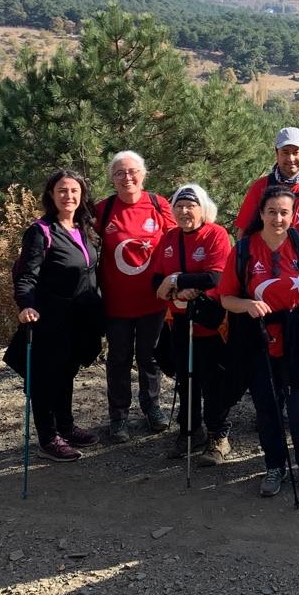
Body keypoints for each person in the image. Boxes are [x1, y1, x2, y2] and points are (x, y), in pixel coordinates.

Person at [217, 185, 299, 498]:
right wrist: (247, 305)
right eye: (272, 212)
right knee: (267, 409)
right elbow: (226, 298)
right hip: (257, 339)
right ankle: (274, 467)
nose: (278, 218)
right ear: (261, 214)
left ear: (292, 215)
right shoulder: (244, 249)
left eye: (285, 212)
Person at [14, 169, 106, 463]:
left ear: (82, 195)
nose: (69, 196)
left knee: (67, 373)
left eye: (74, 191)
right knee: (45, 378)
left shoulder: (83, 227)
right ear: (51, 195)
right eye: (62, 190)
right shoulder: (41, 232)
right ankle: (48, 436)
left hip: (80, 318)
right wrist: (26, 304)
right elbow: (26, 276)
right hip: (51, 318)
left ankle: (65, 425)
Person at [151, 183, 235, 465]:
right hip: (179, 322)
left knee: (213, 381)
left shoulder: (216, 234)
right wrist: (175, 289)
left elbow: (215, 277)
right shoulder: (169, 238)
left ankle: (218, 435)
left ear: (203, 208)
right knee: (185, 379)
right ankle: (189, 431)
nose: (185, 211)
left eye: (191, 206)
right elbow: (155, 278)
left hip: (211, 324)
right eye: (179, 206)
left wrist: (176, 281)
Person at [97, 150, 177, 442]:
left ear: (143, 175)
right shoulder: (102, 210)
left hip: (153, 301)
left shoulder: (159, 205)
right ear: (112, 178)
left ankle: (151, 407)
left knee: (149, 357)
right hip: (116, 302)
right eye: (119, 173)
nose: (127, 177)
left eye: (132, 172)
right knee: (118, 359)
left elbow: (175, 242)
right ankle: (118, 416)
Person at [234, 126, 299, 251]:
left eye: (296, 152)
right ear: (276, 153)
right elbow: (243, 233)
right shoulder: (261, 187)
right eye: (285, 152)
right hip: (266, 263)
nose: (291, 158)